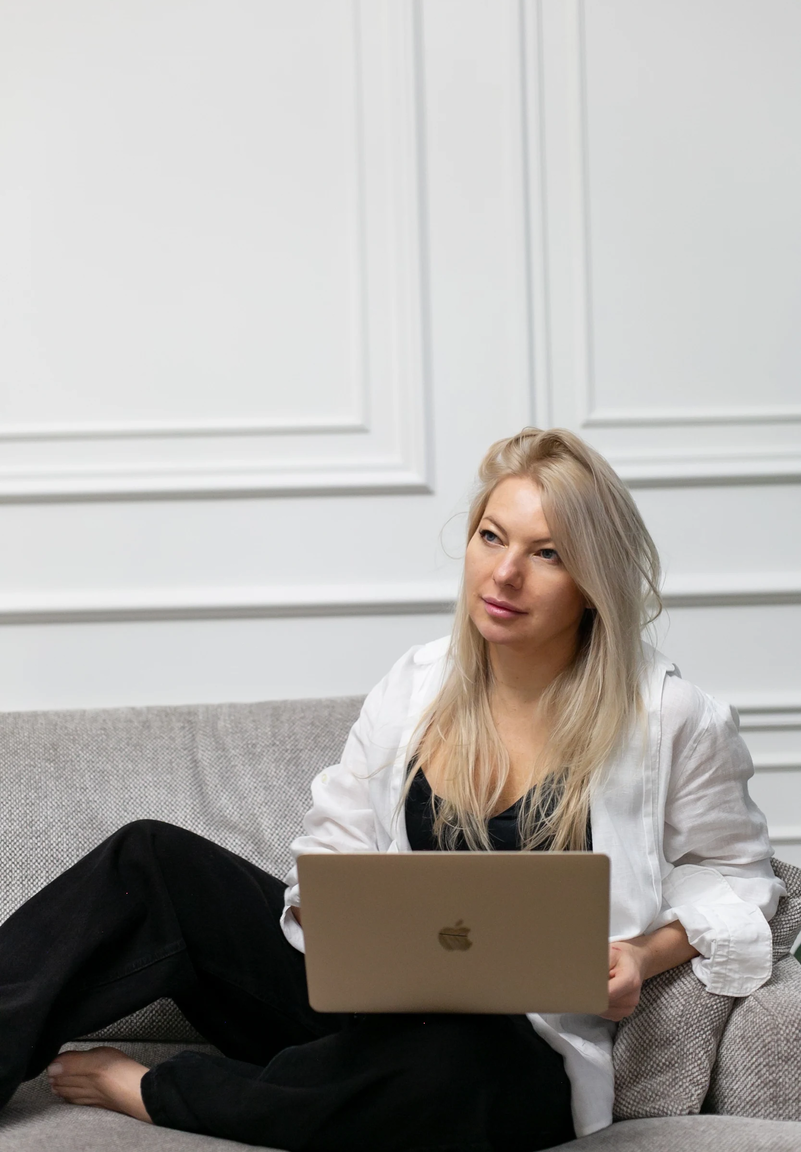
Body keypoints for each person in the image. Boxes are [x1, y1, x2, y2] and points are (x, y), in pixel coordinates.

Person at [0, 427, 785, 1151]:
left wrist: (639, 956)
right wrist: (335, 916)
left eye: (546, 554)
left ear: (590, 582)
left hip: (508, 1052)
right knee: (150, 861)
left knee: (453, 1067)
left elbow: (738, 876)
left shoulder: (669, 717)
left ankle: (168, 1093)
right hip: (362, 1012)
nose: (504, 573)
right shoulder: (414, 685)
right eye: (490, 537)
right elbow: (333, 844)